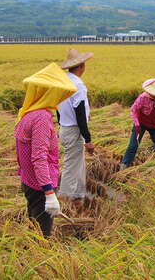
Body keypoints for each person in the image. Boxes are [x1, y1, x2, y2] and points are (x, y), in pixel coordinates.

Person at [14, 62, 77, 238]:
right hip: (40, 184)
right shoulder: (41, 118)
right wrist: (49, 193)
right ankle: (40, 261)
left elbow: (22, 154)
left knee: (34, 224)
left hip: (30, 181)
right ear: (49, 94)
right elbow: (38, 158)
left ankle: (31, 253)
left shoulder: (28, 113)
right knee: (43, 233)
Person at [56, 48, 94, 202]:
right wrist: (88, 139)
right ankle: (65, 199)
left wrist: (61, 124)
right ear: (81, 66)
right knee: (72, 165)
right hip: (73, 130)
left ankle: (78, 194)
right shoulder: (78, 85)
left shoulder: (62, 81)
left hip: (64, 128)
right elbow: (80, 115)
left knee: (78, 163)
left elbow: (57, 109)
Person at [120, 78, 155, 169]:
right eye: (154, 94)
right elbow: (134, 110)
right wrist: (136, 124)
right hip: (141, 124)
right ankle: (124, 166)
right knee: (133, 145)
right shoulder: (143, 97)